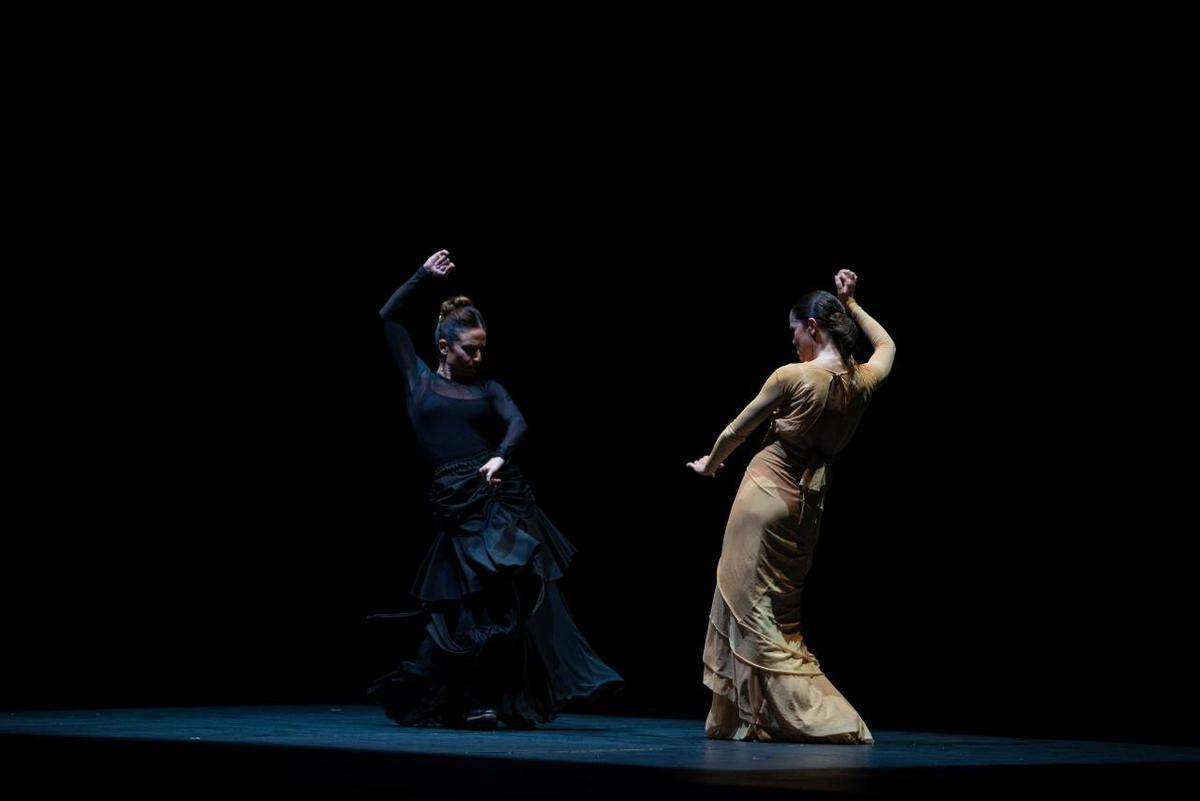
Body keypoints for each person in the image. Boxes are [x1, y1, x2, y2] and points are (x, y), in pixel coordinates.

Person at [368, 249, 622, 730]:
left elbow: (518, 423)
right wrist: (422, 275)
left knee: (497, 597)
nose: (479, 357)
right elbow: (388, 316)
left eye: (483, 348)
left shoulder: (488, 389)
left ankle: (487, 700)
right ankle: (468, 699)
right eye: (470, 349)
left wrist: (500, 455)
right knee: (462, 606)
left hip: (494, 496)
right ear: (444, 347)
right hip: (452, 502)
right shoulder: (417, 381)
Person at [686, 268, 896, 743]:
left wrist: (709, 464)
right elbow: (887, 346)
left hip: (764, 494)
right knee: (781, 614)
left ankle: (823, 715)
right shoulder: (861, 380)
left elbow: (736, 430)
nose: (793, 340)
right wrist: (855, 304)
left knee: (752, 610)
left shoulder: (792, 375)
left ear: (813, 328)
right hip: (807, 507)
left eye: (794, 330)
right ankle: (754, 716)